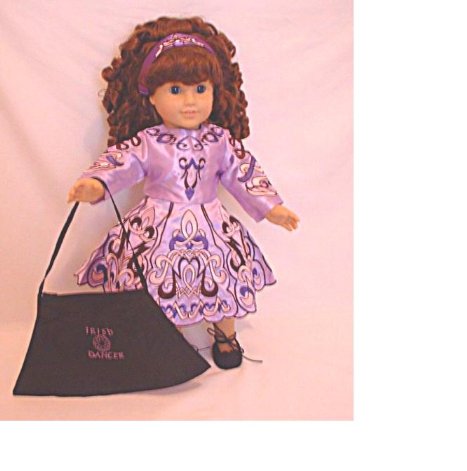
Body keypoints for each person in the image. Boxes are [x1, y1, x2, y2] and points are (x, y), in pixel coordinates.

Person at [67, 16, 299, 370]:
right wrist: (96, 184)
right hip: (157, 227)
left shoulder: (219, 140)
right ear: (152, 97)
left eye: (200, 89)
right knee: (157, 278)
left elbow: (243, 171)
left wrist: (271, 208)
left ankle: (225, 335)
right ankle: (168, 339)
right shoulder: (149, 142)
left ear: (214, 91)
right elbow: (122, 162)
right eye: (176, 91)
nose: (190, 101)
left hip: (210, 225)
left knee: (222, 274)